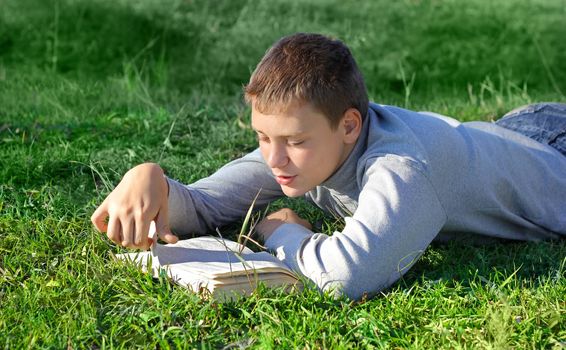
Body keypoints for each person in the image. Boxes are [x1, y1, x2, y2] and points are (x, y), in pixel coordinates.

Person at [91, 33, 566, 300]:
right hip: (507, 134)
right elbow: (206, 205)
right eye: (262, 137)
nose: (273, 158)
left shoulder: (401, 169)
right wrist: (148, 179)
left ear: (349, 126)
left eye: (294, 141)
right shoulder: (302, 152)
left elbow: (346, 276)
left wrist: (281, 231)